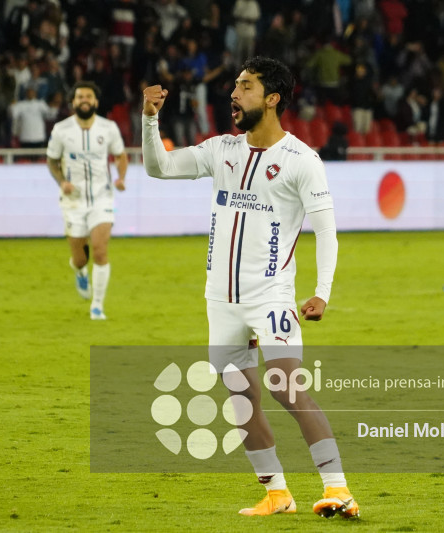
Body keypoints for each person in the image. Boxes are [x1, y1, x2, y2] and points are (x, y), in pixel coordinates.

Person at [141, 56, 359, 519]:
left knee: (286, 386)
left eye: (245, 87)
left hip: (271, 296)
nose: (234, 94)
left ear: (272, 98)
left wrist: (323, 290)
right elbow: (158, 167)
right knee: (241, 396)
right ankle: (278, 494)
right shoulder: (221, 149)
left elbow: (327, 229)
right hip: (220, 299)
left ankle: (338, 488)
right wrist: (149, 119)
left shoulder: (301, 160)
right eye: (235, 86)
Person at [46, 81, 128, 320]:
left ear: (95, 102)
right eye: (79, 96)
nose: (84, 100)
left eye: (88, 96)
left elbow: (121, 155)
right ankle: (79, 270)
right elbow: (51, 161)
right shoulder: (61, 130)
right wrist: (62, 182)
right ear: (73, 102)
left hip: (102, 197)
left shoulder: (108, 128)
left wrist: (121, 177)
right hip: (73, 200)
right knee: (81, 258)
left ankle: (97, 306)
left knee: (101, 252)